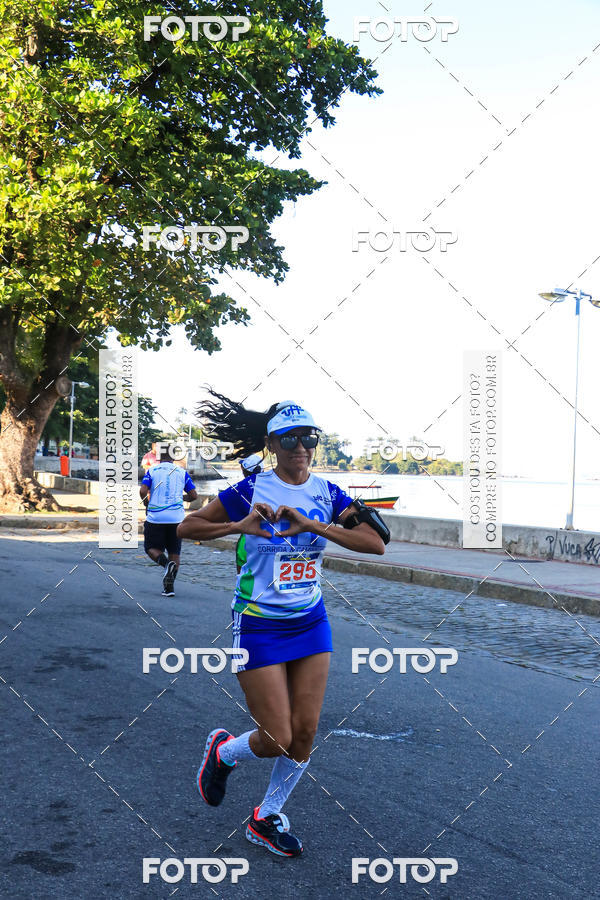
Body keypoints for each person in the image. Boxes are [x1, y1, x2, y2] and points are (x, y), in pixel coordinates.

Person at [177, 393, 389, 857]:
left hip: (310, 621)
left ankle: (265, 816)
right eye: (290, 439)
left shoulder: (328, 493)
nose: (301, 447)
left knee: (305, 734)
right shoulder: (249, 490)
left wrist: (314, 525)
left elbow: (375, 543)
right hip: (257, 624)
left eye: (309, 438)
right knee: (277, 737)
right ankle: (224, 753)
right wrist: (239, 527)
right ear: (271, 444)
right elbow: (186, 528)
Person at [140, 445, 198, 596]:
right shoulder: (182, 472)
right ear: (173, 456)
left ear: (159, 456)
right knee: (174, 552)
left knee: (151, 548)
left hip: (156, 518)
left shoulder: (152, 471)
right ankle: (169, 588)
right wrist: (181, 498)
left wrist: (147, 503)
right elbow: (193, 496)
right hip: (176, 519)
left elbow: (143, 490)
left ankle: (166, 565)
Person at [236, 453, 264, 575]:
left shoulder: (241, 488)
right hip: (270, 539)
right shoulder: (272, 486)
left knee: (242, 575)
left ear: (244, 470)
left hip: (247, 538)